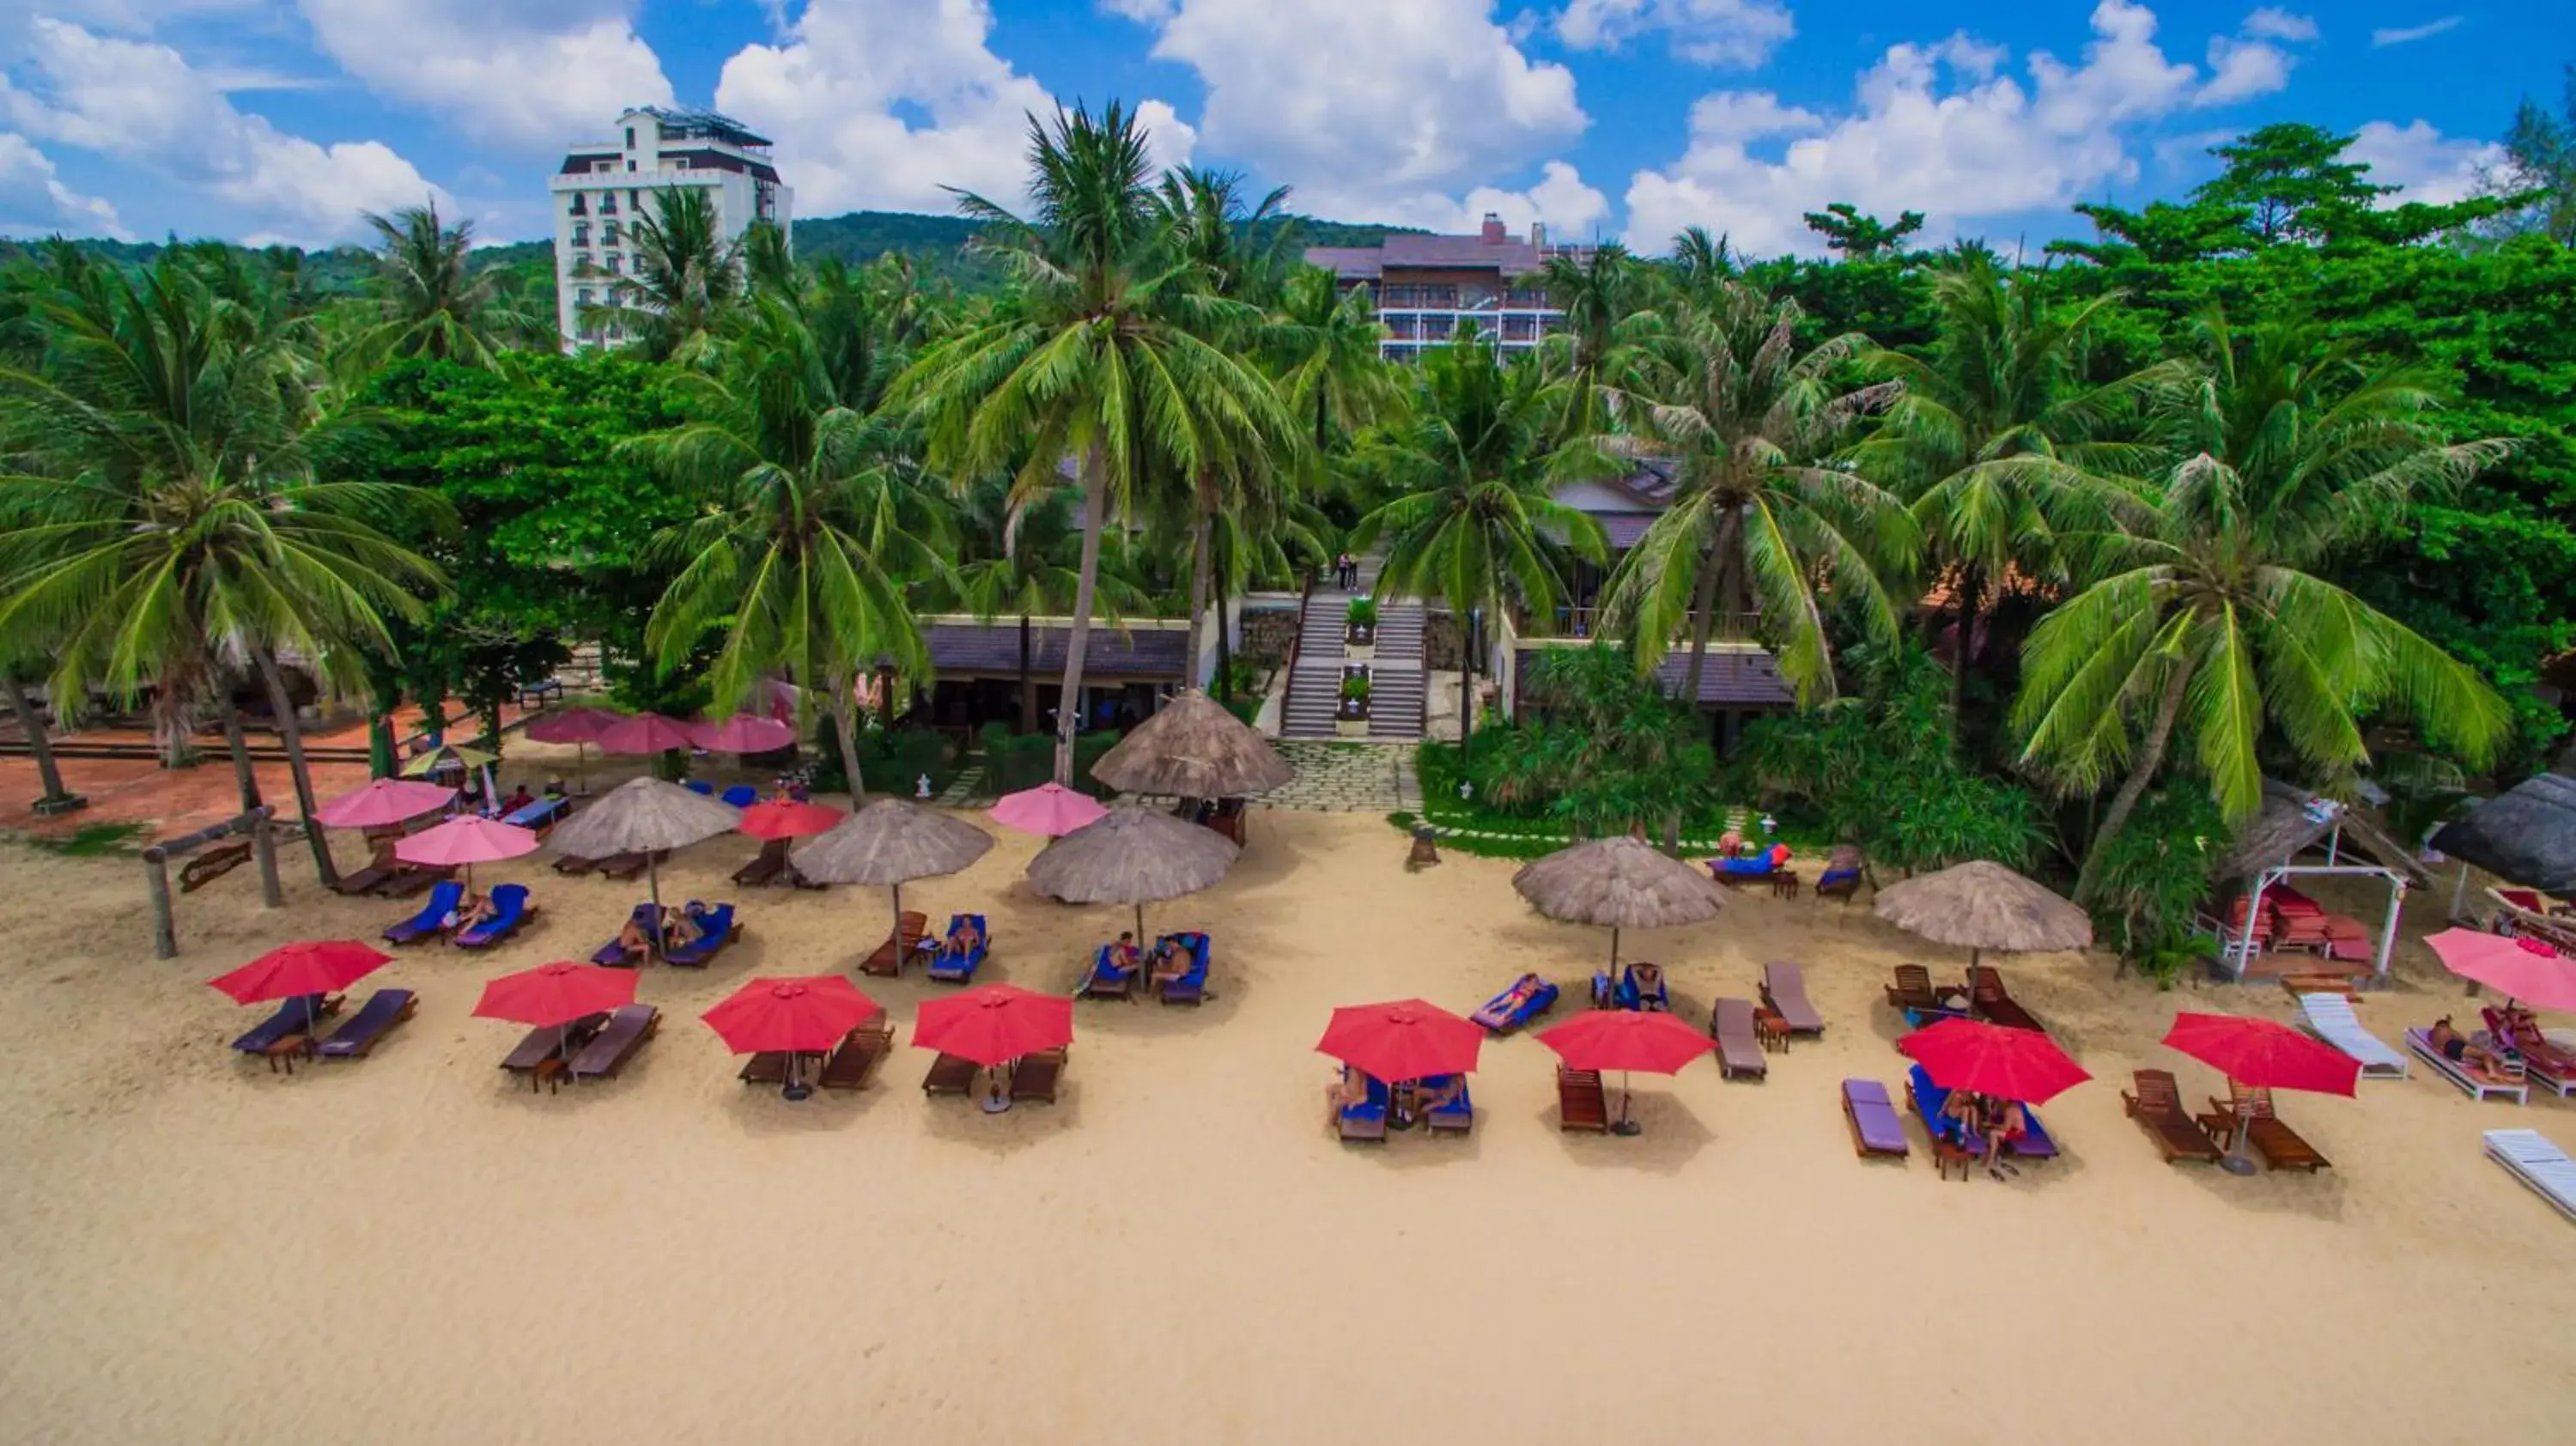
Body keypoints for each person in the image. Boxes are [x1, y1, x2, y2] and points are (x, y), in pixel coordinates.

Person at [2427, 1016, 2514, 1074]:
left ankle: (2487, 1064)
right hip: (2453, 1045)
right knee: (2486, 1055)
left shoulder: (2432, 1034)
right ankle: (2492, 1073)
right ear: (2445, 1025)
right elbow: (2463, 1040)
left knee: (2480, 1059)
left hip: (2448, 1052)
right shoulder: (2447, 1029)